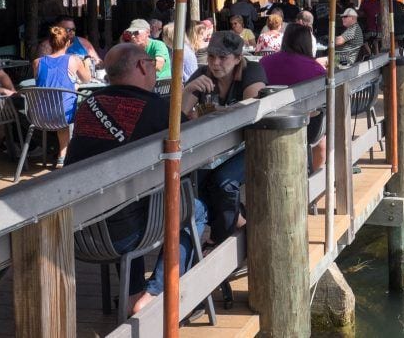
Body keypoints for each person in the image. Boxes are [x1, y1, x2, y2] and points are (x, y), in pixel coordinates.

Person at [65, 43, 206, 316]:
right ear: (142, 66)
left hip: (79, 230)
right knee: (195, 209)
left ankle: (130, 295)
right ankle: (156, 292)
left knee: (130, 200)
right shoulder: (156, 109)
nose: (154, 68)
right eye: (152, 63)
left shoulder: (88, 104)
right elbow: (197, 145)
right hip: (122, 233)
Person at [182, 32, 267, 247]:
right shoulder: (202, 74)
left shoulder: (252, 71)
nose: (215, 63)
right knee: (193, 183)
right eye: (211, 57)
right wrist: (189, 89)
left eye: (223, 57)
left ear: (238, 58)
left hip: (252, 143)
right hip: (214, 149)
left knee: (223, 183)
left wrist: (210, 111)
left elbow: (251, 110)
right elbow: (180, 116)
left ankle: (224, 241)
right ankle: (235, 226)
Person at [261, 23, 328, 170]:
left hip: (266, 124)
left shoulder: (264, 62)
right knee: (326, 122)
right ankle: (315, 175)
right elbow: (325, 99)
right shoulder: (315, 68)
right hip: (307, 128)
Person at [33, 25, 91, 166]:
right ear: (68, 43)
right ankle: (64, 155)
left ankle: (56, 152)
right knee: (74, 108)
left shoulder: (37, 62)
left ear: (50, 43)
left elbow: (42, 83)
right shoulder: (74, 60)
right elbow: (87, 79)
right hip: (63, 115)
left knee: (58, 107)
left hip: (39, 115)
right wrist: (87, 62)